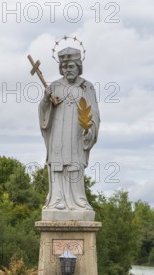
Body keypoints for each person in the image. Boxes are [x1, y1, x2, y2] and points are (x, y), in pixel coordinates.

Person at [39, 47, 100, 218]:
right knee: (57, 165)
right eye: (64, 67)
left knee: (74, 164)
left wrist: (91, 129)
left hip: (76, 136)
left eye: (71, 66)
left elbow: (94, 113)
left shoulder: (87, 87)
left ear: (78, 66)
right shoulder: (55, 86)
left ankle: (78, 200)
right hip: (57, 134)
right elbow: (43, 112)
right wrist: (46, 100)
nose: (68, 70)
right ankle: (57, 200)